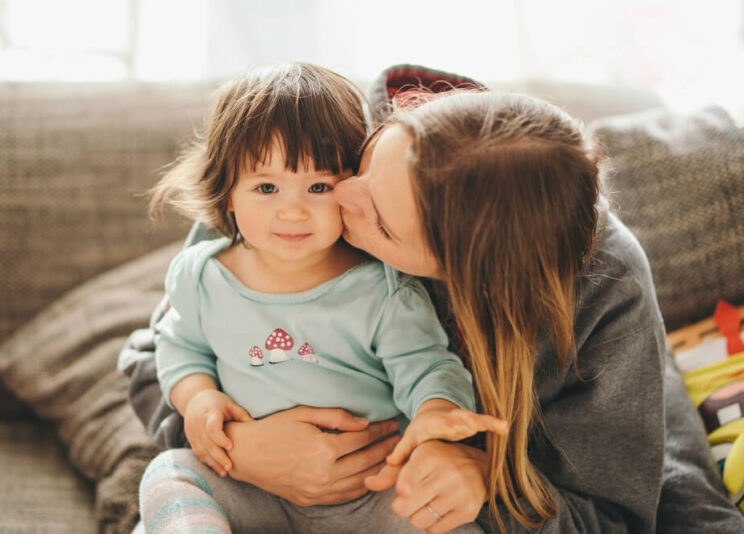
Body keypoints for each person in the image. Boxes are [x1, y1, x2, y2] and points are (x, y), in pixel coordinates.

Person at [121, 65, 744, 534]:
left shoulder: (604, 289)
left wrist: (489, 490)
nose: (337, 200)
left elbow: (617, 506)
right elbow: (160, 350)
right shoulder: (311, 157)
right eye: (360, 168)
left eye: (382, 226)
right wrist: (244, 448)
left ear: (454, 277)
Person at [136, 62, 508, 534]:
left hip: (373, 492)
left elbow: (428, 366)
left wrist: (436, 416)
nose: (293, 209)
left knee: (450, 521)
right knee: (167, 474)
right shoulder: (200, 275)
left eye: (319, 187)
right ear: (228, 191)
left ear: (353, 186)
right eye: (266, 187)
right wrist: (198, 400)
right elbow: (179, 347)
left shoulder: (385, 288)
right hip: (251, 489)